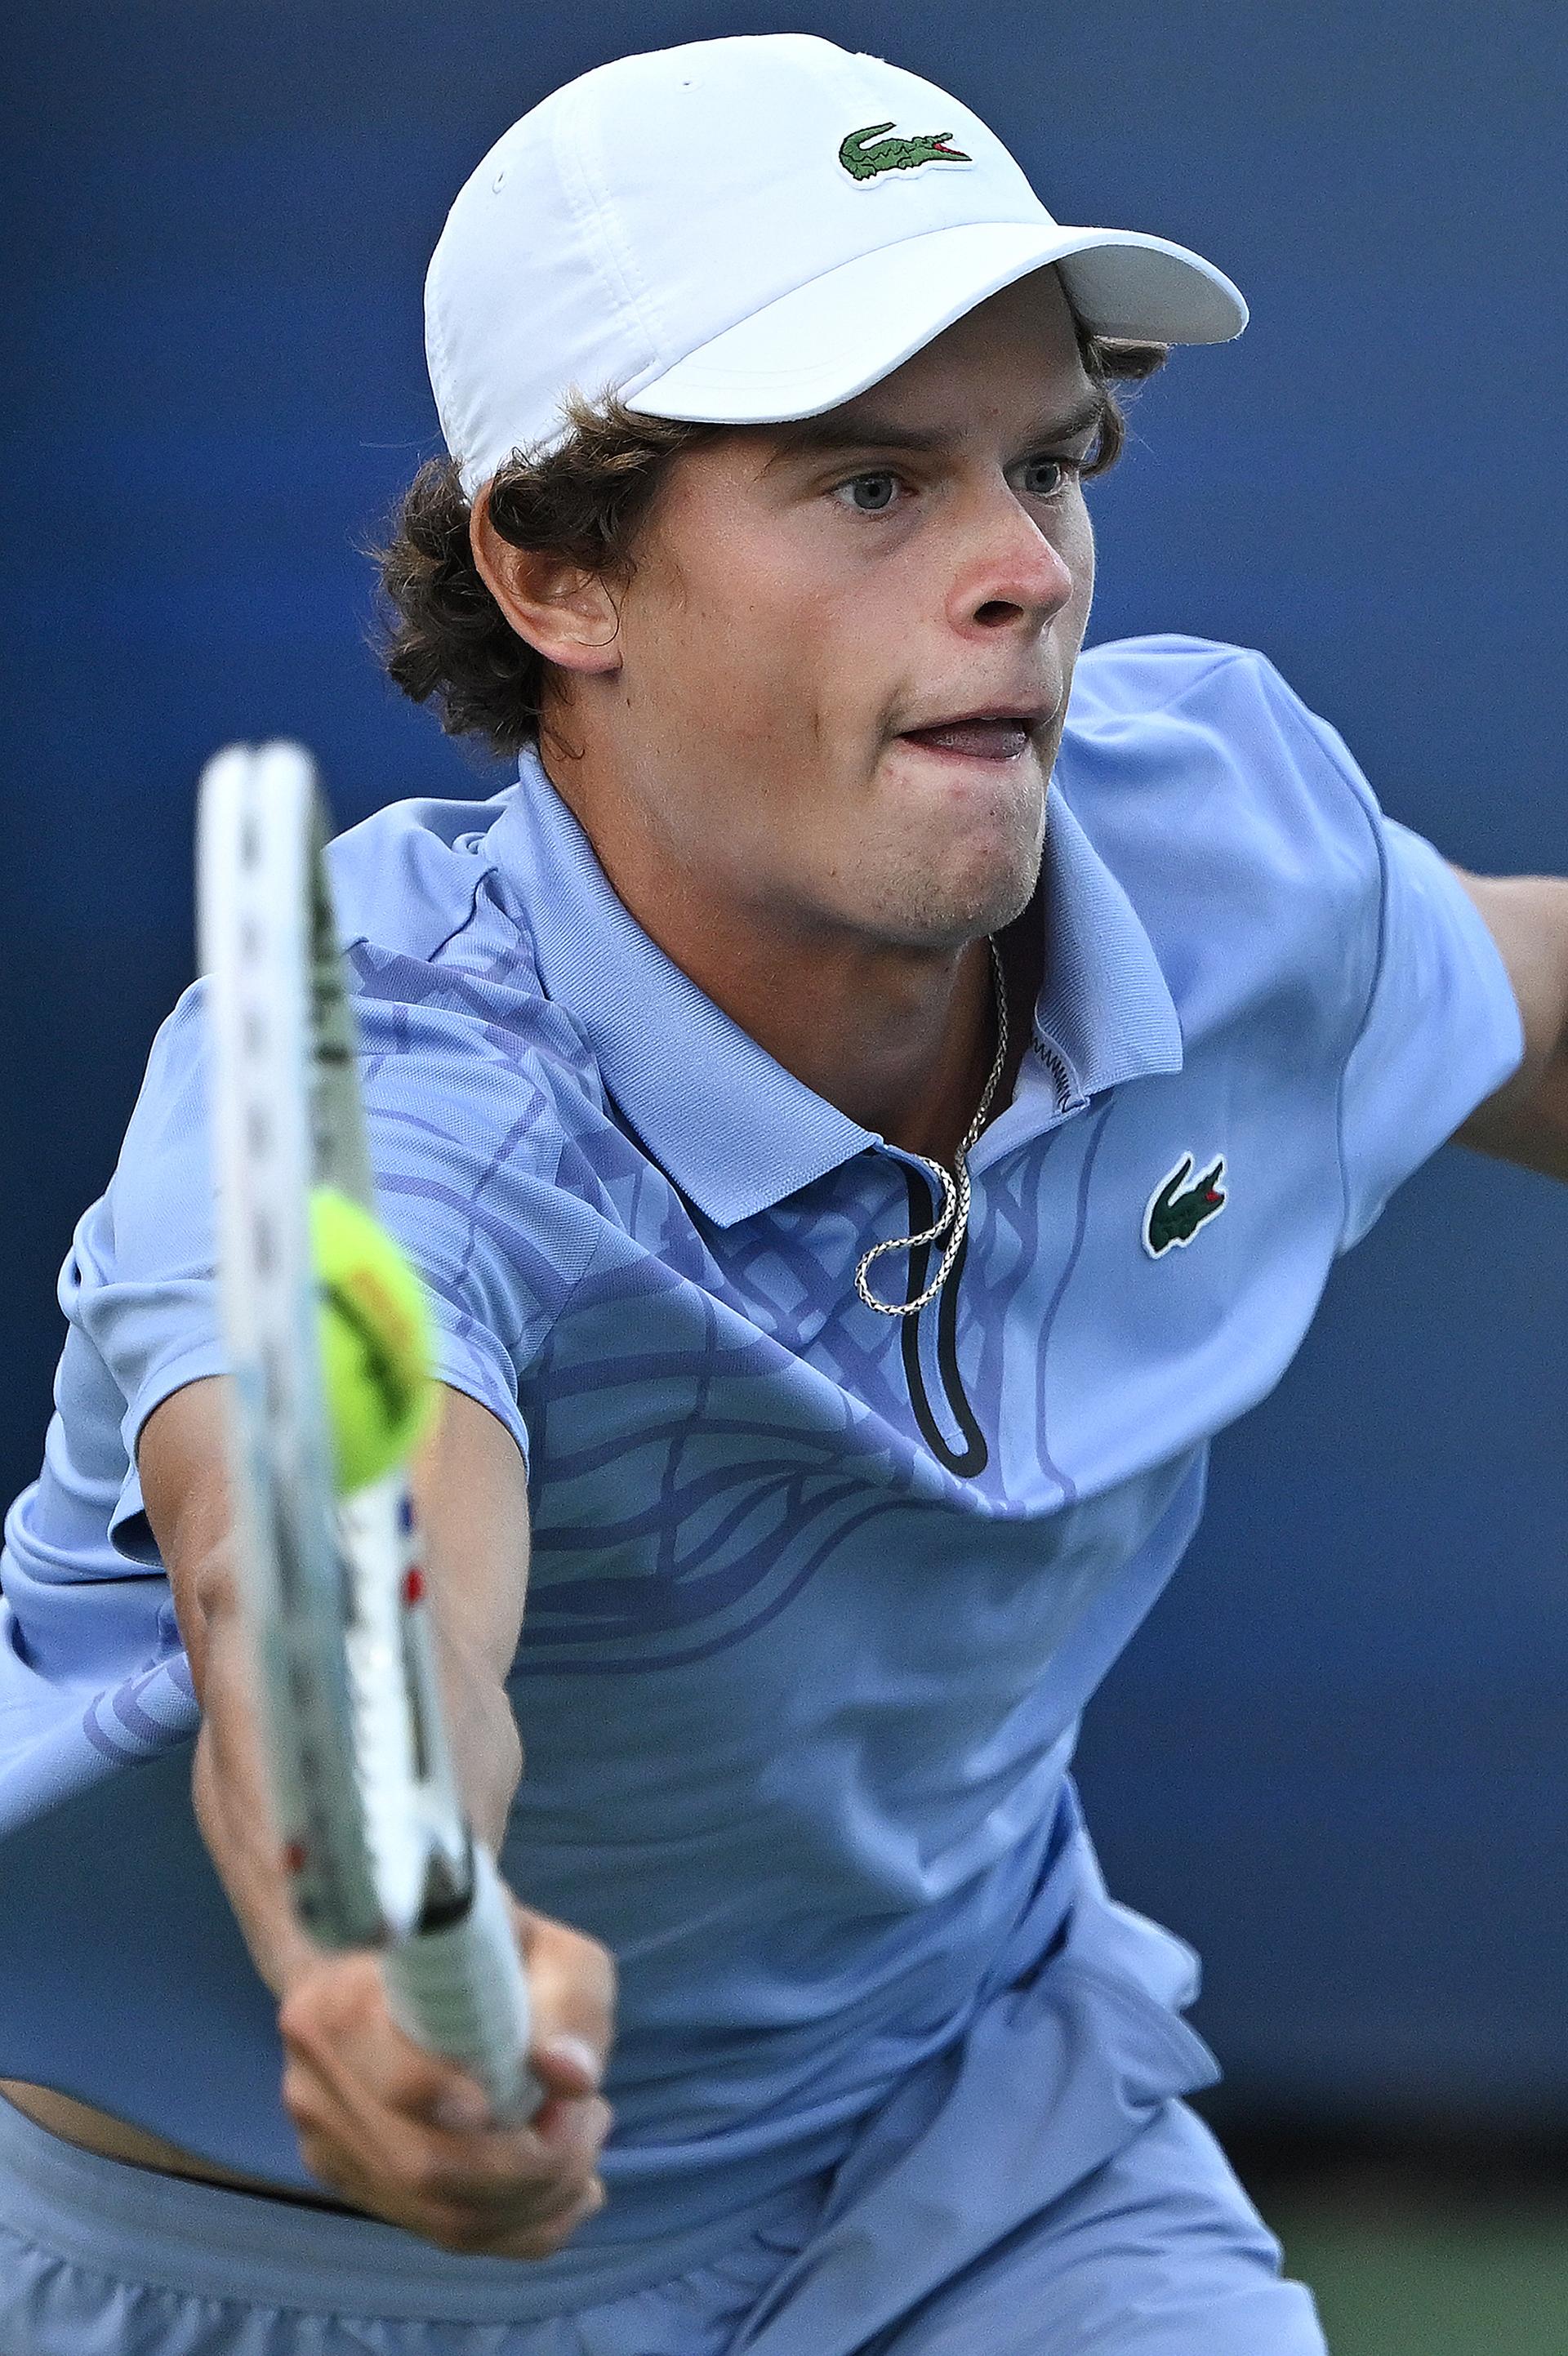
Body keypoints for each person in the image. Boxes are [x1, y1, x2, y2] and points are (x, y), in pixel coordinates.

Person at [0, 29, 1563, 2356]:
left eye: (1047, 464)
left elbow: (1523, 989)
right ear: (553, 566)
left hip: (974, 2157)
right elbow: (333, 1587)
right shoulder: (378, 1095)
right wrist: (377, 1939)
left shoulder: (1219, 841)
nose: (1025, 571)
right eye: (869, 487)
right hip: (276, 2269)